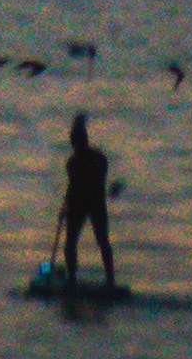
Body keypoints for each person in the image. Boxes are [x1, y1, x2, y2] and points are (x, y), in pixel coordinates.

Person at [53, 111, 119, 293]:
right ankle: (74, 280)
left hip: (90, 202)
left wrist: (69, 205)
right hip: (84, 203)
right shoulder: (84, 160)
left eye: (76, 141)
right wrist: (65, 207)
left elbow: (90, 181)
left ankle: (109, 282)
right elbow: (71, 186)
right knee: (72, 243)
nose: (75, 146)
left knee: (99, 241)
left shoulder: (92, 159)